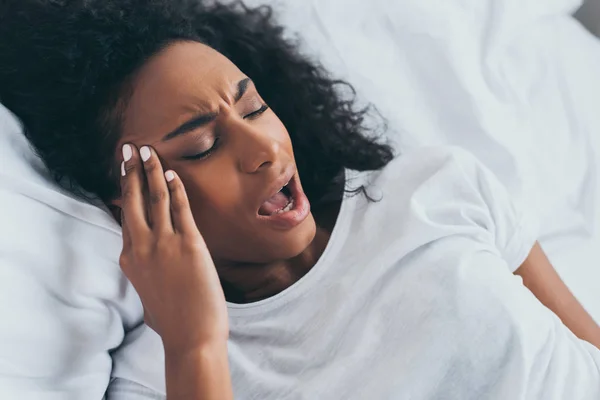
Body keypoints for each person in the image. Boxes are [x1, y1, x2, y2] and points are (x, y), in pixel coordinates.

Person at [1, 1, 600, 399]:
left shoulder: (436, 189)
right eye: (204, 145)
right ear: (129, 202)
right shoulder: (166, 370)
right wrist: (196, 345)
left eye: (255, 106)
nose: (263, 146)